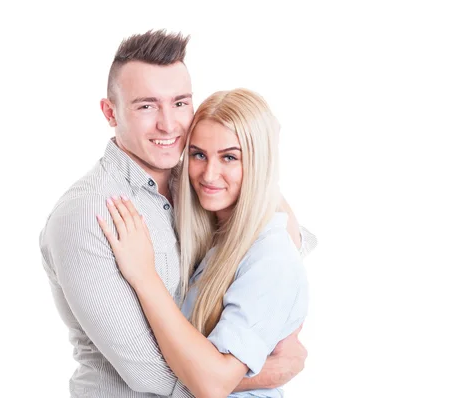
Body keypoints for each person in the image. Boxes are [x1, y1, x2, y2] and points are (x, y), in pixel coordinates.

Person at [39, 30, 316, 397]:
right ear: (110, 112)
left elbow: (277, 238)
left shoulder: (196, 181)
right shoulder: (90, 214)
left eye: (180, 103)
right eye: (146, 106)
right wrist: (268, 370)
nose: (169, 125)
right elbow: (153, 376)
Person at [97, 88, 309, 397]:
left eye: (230, 157)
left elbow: (212, 384)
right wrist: (267, 372)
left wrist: (143, 276)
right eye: (198, 154)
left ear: (259, 161)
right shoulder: (218, 236)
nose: (209, 174)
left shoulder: (271, 256)